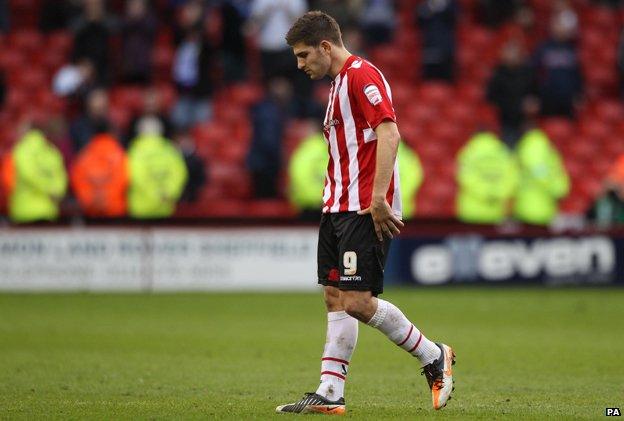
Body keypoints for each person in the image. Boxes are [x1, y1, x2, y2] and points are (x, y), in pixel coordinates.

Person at [276, 11, 455, 415]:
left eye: (304, 55)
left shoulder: (361, 75)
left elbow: (390, 133)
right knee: (335, 296)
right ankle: (330, 392)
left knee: (357, 301)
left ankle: (433, 355)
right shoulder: (339, 83)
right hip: (337, 206)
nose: (300, 65)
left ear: (325, 46)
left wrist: (378, 200)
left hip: (363, 207)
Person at [456, 132, 518, 224]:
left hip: (471, 210)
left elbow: (464, 177)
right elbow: (512, 178)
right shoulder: (504, 152)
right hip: (496, 210)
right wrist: (496, 193)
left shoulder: (469, 151)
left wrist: (485, 192)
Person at [513, 128, 569, 225]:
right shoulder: (546, 151)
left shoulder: (530, 148)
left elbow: (540, 173)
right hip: (538, 208)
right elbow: (554, 177)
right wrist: (557, 189)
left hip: (527, 207)